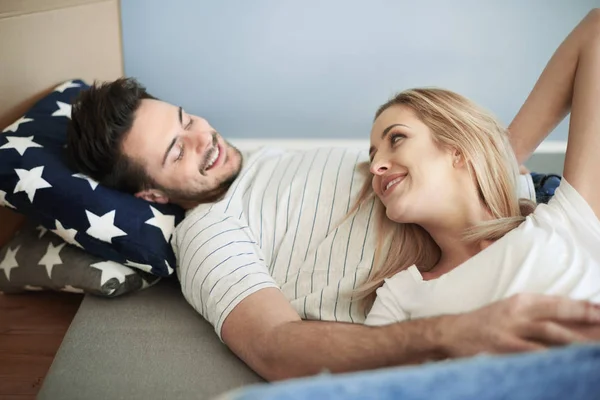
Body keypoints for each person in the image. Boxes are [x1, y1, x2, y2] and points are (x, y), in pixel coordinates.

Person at [65, 9, 600, 381]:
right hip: (461, 295)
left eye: (187, 120)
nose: (202, 140)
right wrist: (453, 333)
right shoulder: (209, 232)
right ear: (154, 193)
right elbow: (276, 346)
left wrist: (498, 163)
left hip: (528, 213)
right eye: (175, 151)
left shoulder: (270, 159)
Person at [362, 9, 600, 328]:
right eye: (373, 156)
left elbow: (595, 29)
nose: (376, 166)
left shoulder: (565, 221)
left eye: (397, 138)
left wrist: (503, 156)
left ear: (456, 149)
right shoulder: (401, 294)